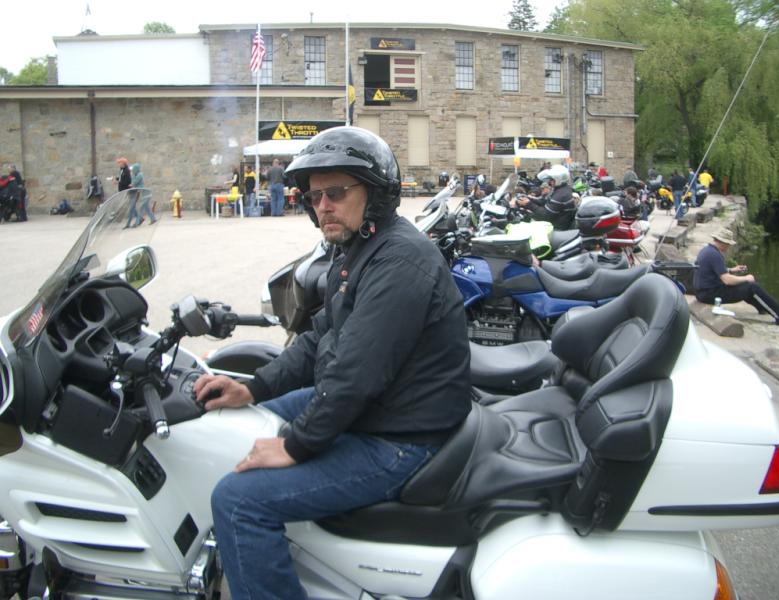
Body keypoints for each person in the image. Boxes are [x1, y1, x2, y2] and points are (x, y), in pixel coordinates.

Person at [194, 126, 472, 599]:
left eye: (336, 193)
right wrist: (255, 387)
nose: (322, 206)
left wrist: (296, 445)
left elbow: (355, 375)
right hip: (381, 411)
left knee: (238, 501)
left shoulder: (399, 261)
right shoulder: (361, 249)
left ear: (375, 194)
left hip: (400, 439)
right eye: (314, 196)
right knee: (243, 419)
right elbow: (320, 335)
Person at [693, 228, 779, 325]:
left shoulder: (707, 250)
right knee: (751, 286)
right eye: (728, 244)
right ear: (722, 242)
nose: (729, 246)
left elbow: (711, 271)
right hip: (710, 295)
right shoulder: (715, 255)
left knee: (746, 287)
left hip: (703, 293)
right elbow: (727, 280)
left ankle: (763, 308)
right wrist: (746, 278)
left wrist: (731, 270)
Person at [528, 164, 577, 230]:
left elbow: (546, 215)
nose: (549, 182)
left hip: (558, 228)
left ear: (558, 179)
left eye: (551, 179)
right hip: (558, 224)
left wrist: (529, 204)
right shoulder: (562, 189)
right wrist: (529, 199)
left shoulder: (561, 194)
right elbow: (546, 201)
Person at [116, 157, 139, 229]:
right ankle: (139, 218)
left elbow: (127, 181)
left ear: (123, 163)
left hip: (129, 190)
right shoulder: (122, 170)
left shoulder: (127, 170)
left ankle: (130, 223)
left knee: (131, 207)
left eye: (120, 163)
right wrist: (117, 179)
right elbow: (122, 178)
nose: (119, 164)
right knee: (132, 207)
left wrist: (119, 182)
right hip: (126, 190)